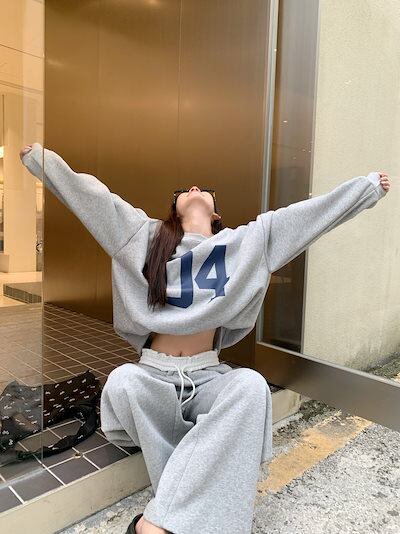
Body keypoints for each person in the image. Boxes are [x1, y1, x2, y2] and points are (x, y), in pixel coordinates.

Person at [20, 143, 390, 534]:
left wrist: (364, 189)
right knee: (123, 381)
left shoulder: (247, 243)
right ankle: (197, 489)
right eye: (184, 190)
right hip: (151, 378)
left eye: (203, 189)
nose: (194, 188)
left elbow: (307, 218)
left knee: (250, 386)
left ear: (216, 214)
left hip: (208, 378)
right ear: (174, 208)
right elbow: (93, 199)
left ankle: (155, 525)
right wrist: (44, 161)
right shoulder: (143, 236)